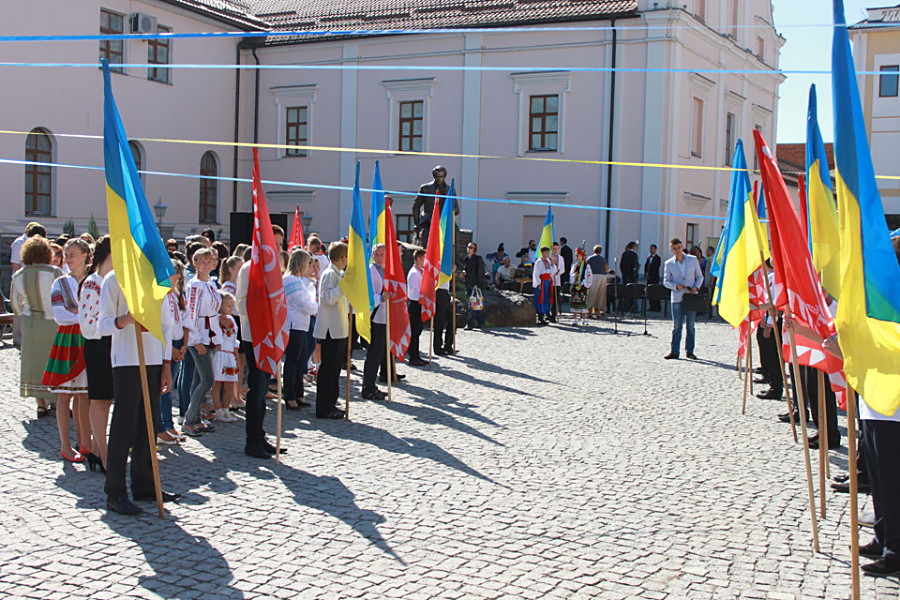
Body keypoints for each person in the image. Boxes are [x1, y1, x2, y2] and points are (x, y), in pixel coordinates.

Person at [98, 270, 179, 515]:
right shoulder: (114, 279)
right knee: (123, 426)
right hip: (127, 359)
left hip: (153, 359)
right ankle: (115, 491)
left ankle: (144, 484)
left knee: (149, 424)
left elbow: (166, 325)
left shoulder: (155, 277)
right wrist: (125, 319)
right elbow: (102, 324)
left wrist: (166, 364)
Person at [236, 224, 290, 457]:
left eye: (279, 244)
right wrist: (262, 312)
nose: (277, 248)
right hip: (255, 336)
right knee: (256, 389)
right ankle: (252, 441)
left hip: (271, 335)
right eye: (273, 244)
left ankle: (260, 434)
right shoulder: (249, 269)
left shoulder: (276, 267)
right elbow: (240, 303)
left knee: (264, 388)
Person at [43, 238, 92, 463]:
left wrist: (76, 311)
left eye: (72, 254)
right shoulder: (60, 283)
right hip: (69, 339)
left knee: (85, 394)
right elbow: (60, 316)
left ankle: (85, 442)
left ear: (85, 255)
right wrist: (83, 315)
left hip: (88, 339)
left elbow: (98, 313)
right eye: (66, 254)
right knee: (65, 395)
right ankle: (65, 445)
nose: (68, 258)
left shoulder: (92, 281)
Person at [10, 236, 63, 419]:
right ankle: (57, 401)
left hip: (31, 321)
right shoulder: (55, 272)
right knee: (55, 361)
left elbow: (15, 304)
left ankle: (40, 404)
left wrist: (26, 310)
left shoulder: (19, 275)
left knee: (34, 363)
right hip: (54, 321)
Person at [79, 235, 116, 470]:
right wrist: (115, 324)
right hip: (98, 344)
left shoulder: (113, 281)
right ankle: (103, 452)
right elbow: (88, 325)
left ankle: (96, 446)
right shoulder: (93, 283)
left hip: (112, 343)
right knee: (100, 399)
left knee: (107, 399)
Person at [182, 247, 222, 437]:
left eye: (209, 261)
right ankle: (189, 419)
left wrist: (218, 336)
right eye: (202, 262)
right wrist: (195, 340)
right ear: (195, 263)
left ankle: (196, 418)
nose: (206, 265)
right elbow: (191, 313)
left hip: (211, 334)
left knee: (199, 379)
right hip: (200, 335)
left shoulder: (211, 283)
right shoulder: (194, 285)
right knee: (208, 379)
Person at [313, 241, 350, 419]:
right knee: (328, 369)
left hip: (338, 328)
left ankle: (331, 403)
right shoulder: (329, 274)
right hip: (330, 329)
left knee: (335, 369)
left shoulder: (337, 274)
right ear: (342, 258)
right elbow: (327, 298)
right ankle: (324, 406)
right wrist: (342, 286)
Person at [283, 249, 317, 408]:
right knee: (293, 362)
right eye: (308, 263)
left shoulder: (298, 280)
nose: (310, 266)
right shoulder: (291, 280)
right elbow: (304, 304)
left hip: (301, 325)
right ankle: (290, 395)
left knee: (301, 361)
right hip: (293, 325)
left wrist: (313, 307)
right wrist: (316, 308)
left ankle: (298, 393)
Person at [158, 259, 185, 445]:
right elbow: (162, 326)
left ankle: (168, 424)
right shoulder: (161, 295)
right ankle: (163, 425)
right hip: (166, 345)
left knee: (169, 386)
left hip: (177, 340)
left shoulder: (176, 294)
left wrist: (184, 344)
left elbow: (182, 319)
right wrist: (172, 349)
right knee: (163, 387)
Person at [663, 238, 704, 360]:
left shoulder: (692, 260)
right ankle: (674, 351)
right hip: (677, 297)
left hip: (690, 296)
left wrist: (696, 287)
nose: (678, 250)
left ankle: (690, 351)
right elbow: (666, 281)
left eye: (679, 248)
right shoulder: (669, 263)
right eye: (675, 249)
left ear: (682, 247)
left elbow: (699, 276)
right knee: (677, 326)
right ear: (672, 250)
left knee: (690, 326)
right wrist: (676, 286)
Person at [10, 222, 46, 347]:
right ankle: (19, 339)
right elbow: (15, 264)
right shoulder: (19, 243)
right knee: (19, 309)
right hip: (22, 279)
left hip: (37, 278)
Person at [362, 244, 389, 400]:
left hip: (384, 316)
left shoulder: (387, 270)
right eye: (377, 254)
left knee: (379, 353)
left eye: (382, 254)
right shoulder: (371, 271)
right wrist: (381, 298)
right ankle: (368, 387)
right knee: (373, 353)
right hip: (375, 317)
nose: (379, 257)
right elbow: (368, 296)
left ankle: (372, 385)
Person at [211, 292, 239, 423]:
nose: (231, 309)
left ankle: (226, 408)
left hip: (230, 355)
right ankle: (217, 410)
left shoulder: (232, 320)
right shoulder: (215, 319)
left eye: (232, 306)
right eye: (228, 306)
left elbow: (234, 340)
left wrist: (236, 356)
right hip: (218, 354)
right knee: (217, 383)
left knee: (229, 383)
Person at [411, 166, 457, 247]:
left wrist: (447, 210)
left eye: (441, 176)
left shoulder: (450, 190)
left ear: (445, 176)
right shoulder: (425, 188)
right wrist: (416, 224)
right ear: (433, 176)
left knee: (456, 234)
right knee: (425, 237)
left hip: (443, 221)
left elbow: (456, 209)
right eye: (437, 176)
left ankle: (454, 254)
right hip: (428, 221)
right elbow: (416, 206)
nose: (439, 179)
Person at [406, 249, 429, 365]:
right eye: (424, 258)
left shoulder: (421, 272)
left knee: (418, 330)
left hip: (420, 303)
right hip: (415, 304)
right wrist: (425, 294)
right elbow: (414, 292)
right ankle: (413, 357)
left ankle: (416, 355)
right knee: (414, 331)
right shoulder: (414, 273)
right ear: (419, 258)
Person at [462, 242, 487, 330]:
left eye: (471, 247)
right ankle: (481, 322)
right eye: (468, 247)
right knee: (476, 304)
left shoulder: (477, 259)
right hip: (468, 283)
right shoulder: (466, 259)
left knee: (472, 305)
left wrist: (478, 285)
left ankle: (470, 324)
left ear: (474, 250)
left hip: (475, 284)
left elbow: (480, 272)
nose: (468, 249)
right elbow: (466, 269)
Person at [532, 246, 557, 325]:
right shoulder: (539, 262)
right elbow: (536, 273)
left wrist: (552, 263)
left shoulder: (548, 261)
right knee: (540, 298)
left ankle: (545, 314)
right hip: (541, 282)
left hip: (547, 282)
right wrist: (538, 283)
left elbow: (553, 272)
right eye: (546, 252)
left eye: (548, 252)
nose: (547, 254)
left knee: (546, 298)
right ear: (542, 253)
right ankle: (540, 317)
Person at [569, 248, 593, 326]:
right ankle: (575, 319)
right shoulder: (574, 266)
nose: (576, 257)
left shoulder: (586, 266)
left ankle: (584, 319)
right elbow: (571, 275)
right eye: (576, 255)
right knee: (574, 303)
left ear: (582, 256)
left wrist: (583, 283)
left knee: (583, 303)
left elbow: (589, 276)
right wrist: (574, 276)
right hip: (575, 285)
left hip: (583, 286)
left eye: (578, 255)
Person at [586, 245, 608, 319]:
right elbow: (606, 269)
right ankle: (598, 312)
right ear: (600, 251)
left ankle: (589, 311)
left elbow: (587, 268)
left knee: (592, 294)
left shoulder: (589, 258)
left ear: (594, 250)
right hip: (602, 277)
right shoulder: (603, 259)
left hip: (593, 276)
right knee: (600, 295)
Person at [549, 242, 565, 323]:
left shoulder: (561, 258)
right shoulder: (548, 257)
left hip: (557, 281)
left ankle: (554, 315)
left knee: (555, 298)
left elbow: (563, 269)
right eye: (554, 249)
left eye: (557, 249)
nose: (555, 251)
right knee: (548, 297)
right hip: (549, 280)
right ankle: (547, 314)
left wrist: (558, 272)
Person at [644, 244, 662, 311]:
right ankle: (651, 306)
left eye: (652, 249)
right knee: (650, 293)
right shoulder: (648, 257)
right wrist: (646, 273)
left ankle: (657, 307)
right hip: (648, 278)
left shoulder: (657, 258)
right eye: (650, 248)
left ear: (655, 249)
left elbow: (655, 268)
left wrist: (650, 275)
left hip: (654, 278)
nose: (651, 250)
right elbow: (646, 266)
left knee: (655, 292)